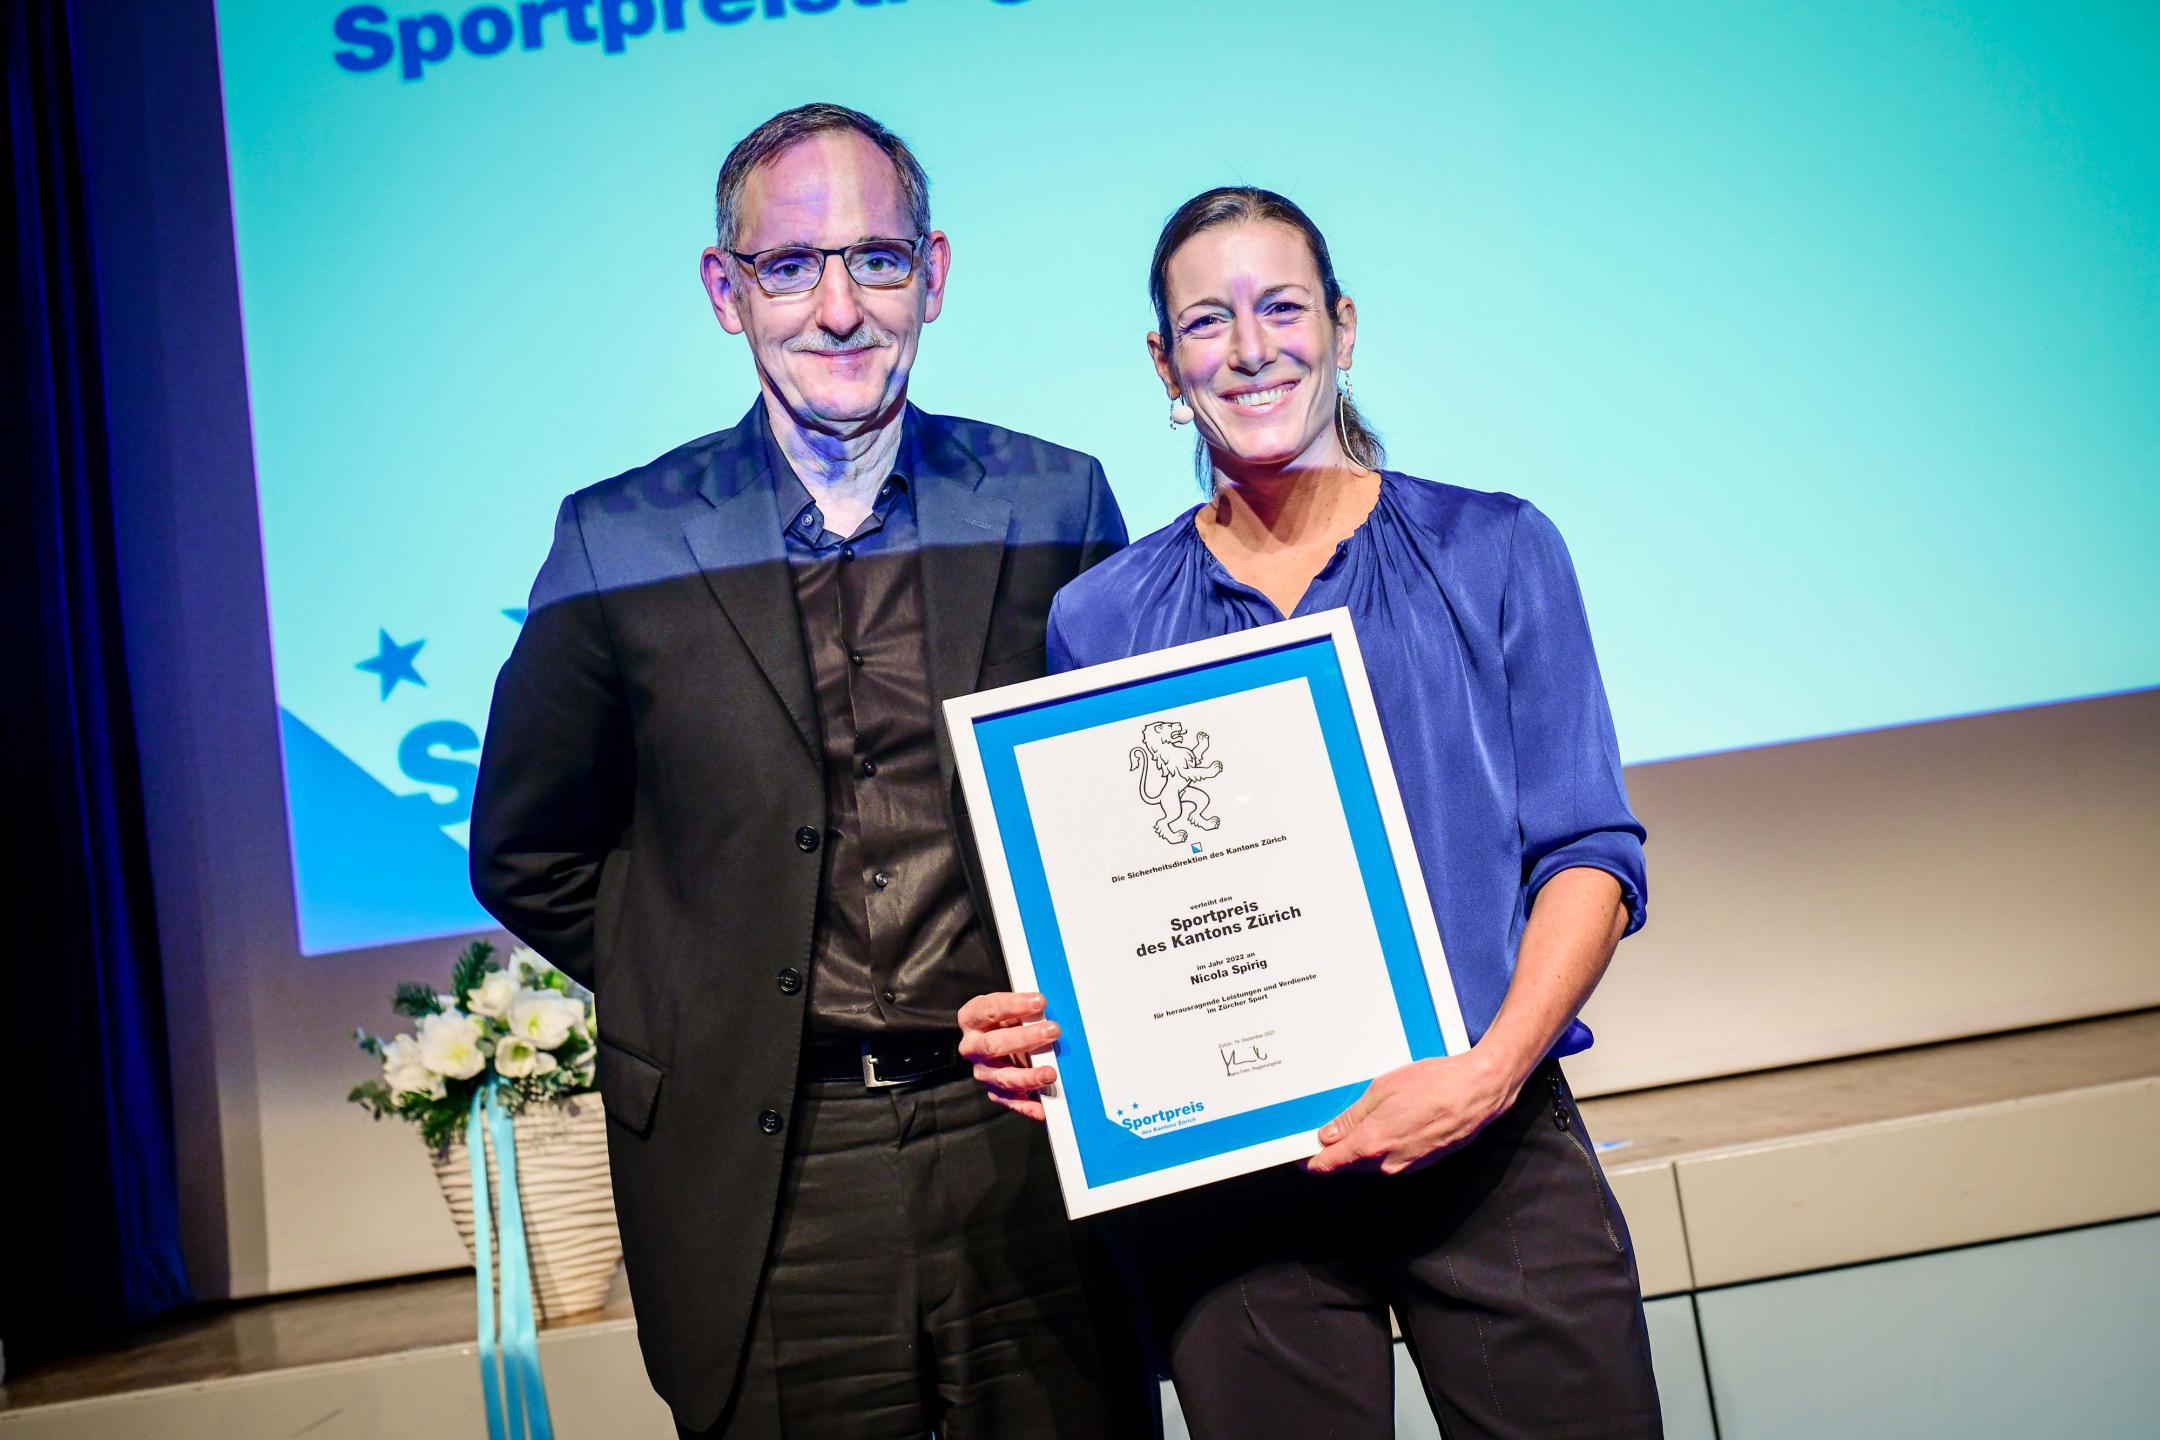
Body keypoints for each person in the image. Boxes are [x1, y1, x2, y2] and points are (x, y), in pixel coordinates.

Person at [470, 103, 1135, 1439]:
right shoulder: (618, 541)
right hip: (769, 1172)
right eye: (792, 266)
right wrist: (711, 984)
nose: (840, 308)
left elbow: (1120, 799)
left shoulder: (1054, 502)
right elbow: (526, 850)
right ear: (728, 290)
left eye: (877, 261)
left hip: (1024, 1142)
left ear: (932, 274)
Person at [957, 187, 1664, 1439]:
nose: (1249, 348)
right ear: (1166, 366)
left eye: (1282, 308)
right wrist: (1047, 1027)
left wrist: (1487, 1076)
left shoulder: (1494, 549)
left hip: (1490, 1153)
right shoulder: (1104, 619)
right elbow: (1107, 921)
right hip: (1236, 1203)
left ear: (1343, 328)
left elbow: (1588, 854)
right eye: (1206, 323)